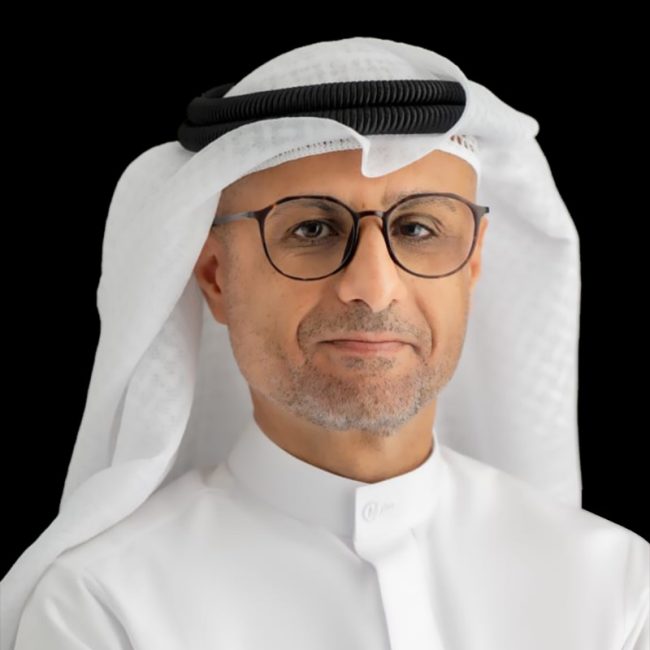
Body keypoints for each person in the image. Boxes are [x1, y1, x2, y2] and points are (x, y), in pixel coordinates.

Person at [3, 36, 648, 650]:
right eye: (311, 229)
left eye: (419, 229)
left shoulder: (615, 588)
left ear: (473, 265)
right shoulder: (103, 607)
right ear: (216, 276)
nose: (372, 287)